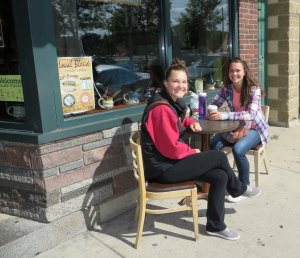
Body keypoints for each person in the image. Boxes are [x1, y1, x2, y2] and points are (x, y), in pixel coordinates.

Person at [140, 58, 261, 241]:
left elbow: (178, 121)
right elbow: (170, 148)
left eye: (183, 81)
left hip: (168, 162)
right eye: (175, 81)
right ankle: (238, 188)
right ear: (165, 82)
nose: (180, 85)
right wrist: (192, 152)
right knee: (218, 156)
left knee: (220, 176)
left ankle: (215, 225)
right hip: (163, 169)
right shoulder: (161, 110)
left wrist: (190, 122)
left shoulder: (169, 102)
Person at [208, 57, 269, 203]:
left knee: (238, 150)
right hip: (236, 126)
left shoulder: (254, 90)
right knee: (213, 145)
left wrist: (224, 115)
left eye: (237, 70)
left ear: (244, 71)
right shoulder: (226, 89)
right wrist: (211, 109)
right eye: (231, 71)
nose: (234, 73)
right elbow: (214, 103)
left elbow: (251, 115)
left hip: (256, 129)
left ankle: (243, 187)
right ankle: (221, 181)